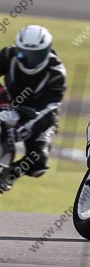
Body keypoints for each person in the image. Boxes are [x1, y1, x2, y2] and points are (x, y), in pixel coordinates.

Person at [0, 25, 67, 192]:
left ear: (47, 51)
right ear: (17, 48)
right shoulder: (8, 55)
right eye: (25, 53)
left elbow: (50, 110)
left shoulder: (56, 73)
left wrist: (24, 129)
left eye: (36, 55)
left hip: (37, 115)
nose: (30, 60)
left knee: (38, 161)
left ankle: (8, 175)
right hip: (8, 103)